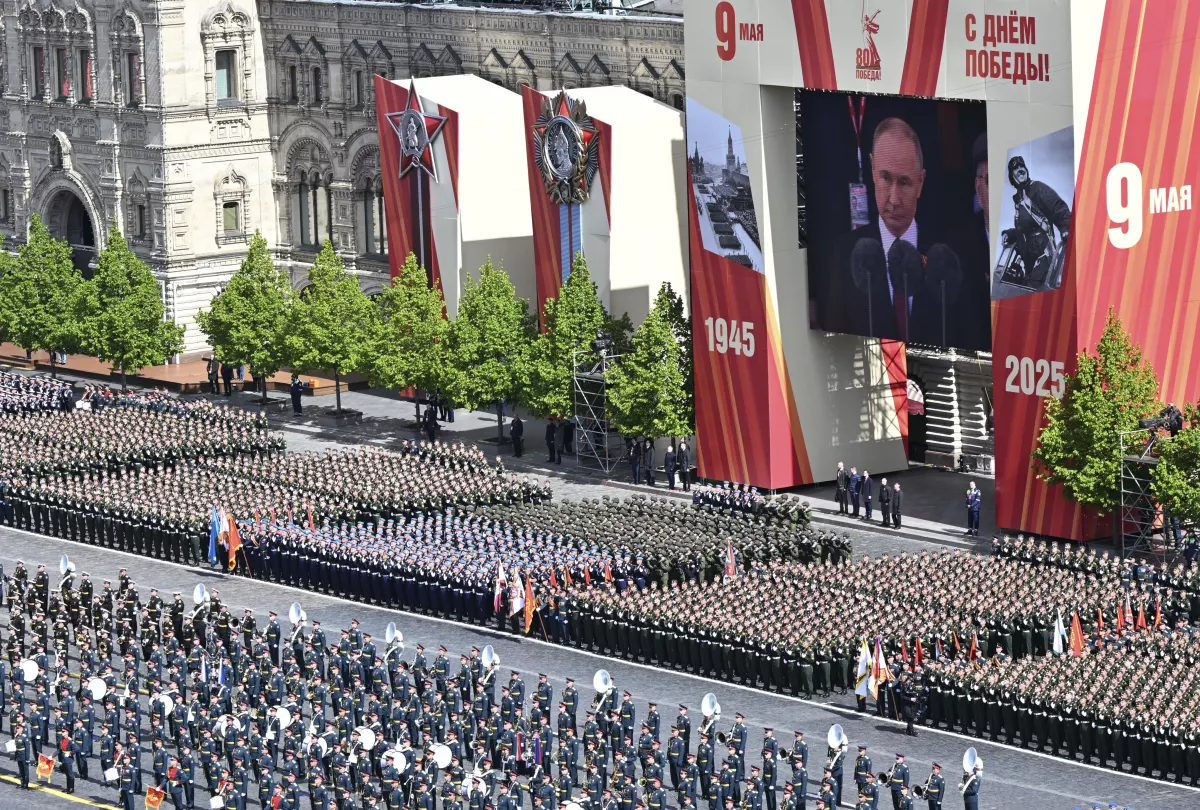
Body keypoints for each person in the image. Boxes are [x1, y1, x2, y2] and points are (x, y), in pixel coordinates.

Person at [825, 117, 967, 347]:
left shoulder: (949, 257)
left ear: (921, 182)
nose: (893, 199)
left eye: (904, 182)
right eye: (885, 178)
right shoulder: (845, 254)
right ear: (872, 169)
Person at [1001, 155, 1071, 291]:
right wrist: (1010, 234)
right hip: (1029, 262)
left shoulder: (1038, 188)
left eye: (1022, 166)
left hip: (1044, 257)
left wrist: (1066, 227)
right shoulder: (1019, 200)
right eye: (1016, 168)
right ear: (1011, 176)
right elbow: (1025, 229)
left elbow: (1059, 208)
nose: (1020, 169)